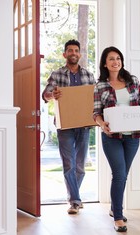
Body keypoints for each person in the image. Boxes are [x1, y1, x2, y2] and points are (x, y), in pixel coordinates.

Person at [93, 46, 140, 232]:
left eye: (118, 58)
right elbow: (96, 113)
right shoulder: (100, 85)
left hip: (133, 136)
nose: (115, 61)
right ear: (105, 63)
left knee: (123, 175)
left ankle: (113, 207)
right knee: (119, 174)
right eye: (111, 59)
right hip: (112, 137)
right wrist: (102, 124)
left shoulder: (132, 81)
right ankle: (118, 216)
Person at [42, 39, 96, 215]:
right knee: (69, 164)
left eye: (76, 50)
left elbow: (94, 99)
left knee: (80, 166)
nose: (73, 53)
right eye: (70, 50)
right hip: (65, 125)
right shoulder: (57, 74)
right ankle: (75, 200)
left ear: (79, 54)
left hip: (84, 124)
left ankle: (74, 196)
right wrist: (53, 94)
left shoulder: (88, 75)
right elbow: (45, 95)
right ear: (64, 54)